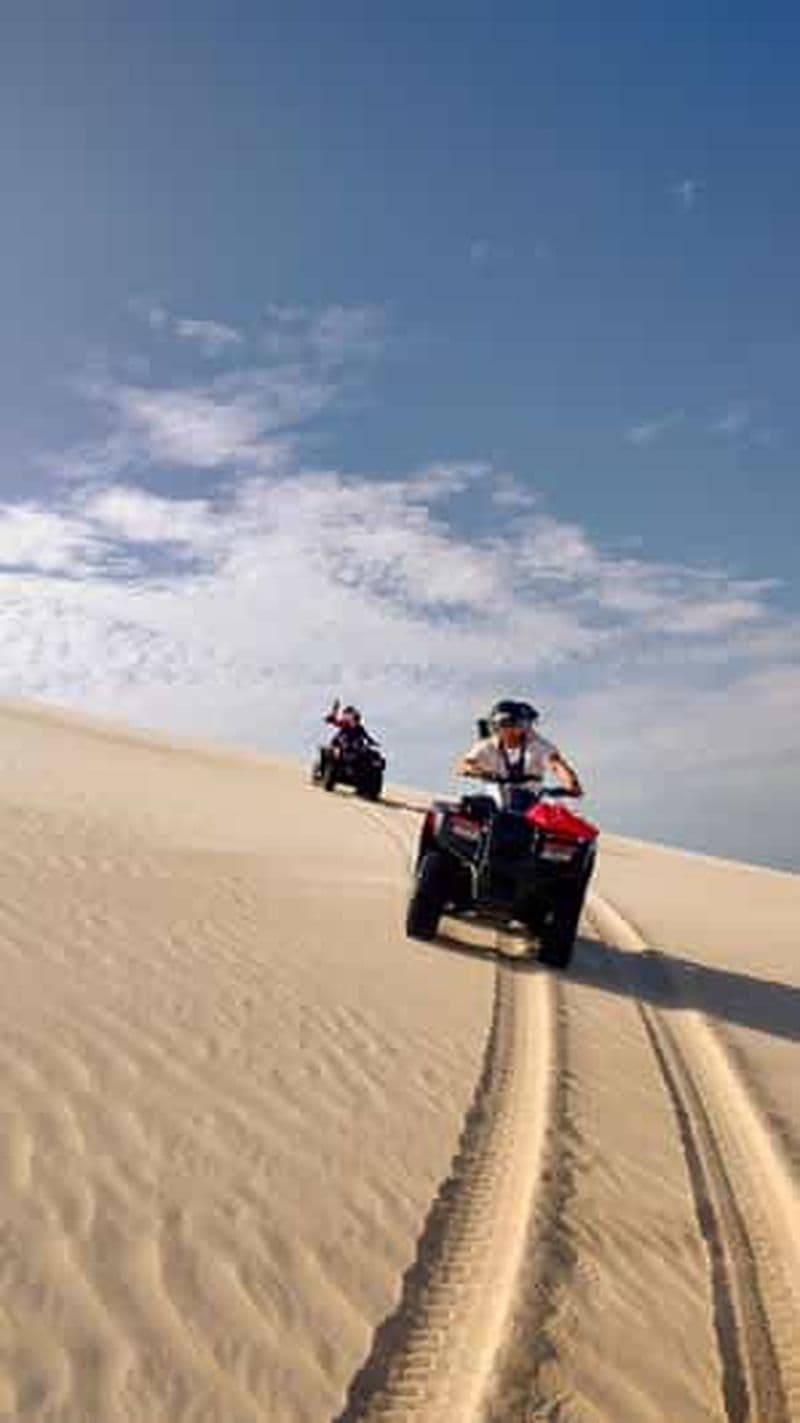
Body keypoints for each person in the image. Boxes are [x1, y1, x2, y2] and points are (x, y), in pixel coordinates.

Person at [456, 698, 583, 795]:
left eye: (525, 724)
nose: (526, 728)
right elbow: (464, 766)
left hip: (531, 801)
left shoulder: (537, 744)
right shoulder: (487, 745)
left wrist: (571, 784)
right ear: (502, 725)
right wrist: (482, 773)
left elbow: (556, 765)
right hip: (496, 800)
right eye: (520, 723)